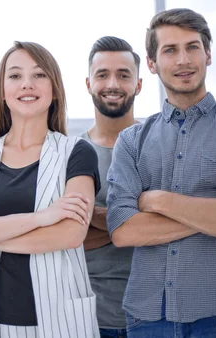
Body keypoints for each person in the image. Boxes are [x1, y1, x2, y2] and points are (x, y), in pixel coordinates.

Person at [107, 8, 216, 337]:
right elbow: (124, 231)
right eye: (170, 50)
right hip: (147, 318)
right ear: (152, 63)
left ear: (208, 54)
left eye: (192, 47)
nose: (183, 60)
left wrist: (156, 200)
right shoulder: (131, 141)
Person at [0, 41, 100, 338]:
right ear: (2, 91)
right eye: (15, 76)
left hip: (61, 322)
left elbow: (69, 234)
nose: (27, 84)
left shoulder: (77, 153)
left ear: (54, 88)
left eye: (39, 75)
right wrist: (41, 218)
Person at [82, 36, 141, 338]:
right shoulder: (69, 153)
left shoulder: (163, 145)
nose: (112, 84)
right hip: (89, 319)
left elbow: (176, 228)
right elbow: (66, 237)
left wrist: (94, 215)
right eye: (102, 74)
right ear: (88, 83)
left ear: (139, 85)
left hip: (156, 317)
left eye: (123, 74)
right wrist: (138, 213)